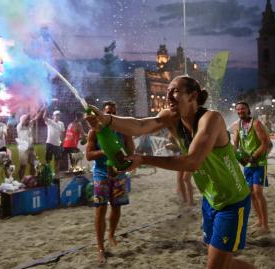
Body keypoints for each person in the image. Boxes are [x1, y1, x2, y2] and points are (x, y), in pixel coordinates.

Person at [87, 76, 254, 269]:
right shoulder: (172, 117)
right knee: (225, 263)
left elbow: (192, 162)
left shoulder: (211, 118)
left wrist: (144, 159)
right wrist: (105, 119)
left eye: (174, 91)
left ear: (193, 96)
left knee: (215, 266)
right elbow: (140, 125)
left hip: (232, 201)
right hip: (210, 199)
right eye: (167, 92)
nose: (168, 97)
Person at [85, 101, 135, 264]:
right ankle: (100, 248)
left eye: (112, 113)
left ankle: (111, 234)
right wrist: (105, 151)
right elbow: (89, 155)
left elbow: (131, 151)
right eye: (107, 112)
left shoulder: (123, 130)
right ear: (102, 114)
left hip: (118, 173)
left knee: (117, 207)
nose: (109, 115)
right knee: (100, 210)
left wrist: (122, 156)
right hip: (100, 174)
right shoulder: (95, 131)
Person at [233, 101, 270, 236]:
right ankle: (260, 220)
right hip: (247, 164)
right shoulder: (237, 126)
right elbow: (235, 145)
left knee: (258, 192)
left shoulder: (256, 124)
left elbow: (265, 143)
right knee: (250, 194)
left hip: (259, 162)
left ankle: (265, 225)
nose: (240, 111)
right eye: (238, 109)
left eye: (242, 109)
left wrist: (254, 156)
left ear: (248, 110)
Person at [16, 110, 42, 180]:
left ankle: (32, 179)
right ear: (22, 120)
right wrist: (30, 109)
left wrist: (41, 109)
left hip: (31, 148)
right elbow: (26, 118)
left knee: (33, 165)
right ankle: (21, 181)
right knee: (23, 166)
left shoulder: (29, 124)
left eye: (28, 120)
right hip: (23, 149)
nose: (28, 120)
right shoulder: (19, 126)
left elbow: (36, 118)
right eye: (26, 120)